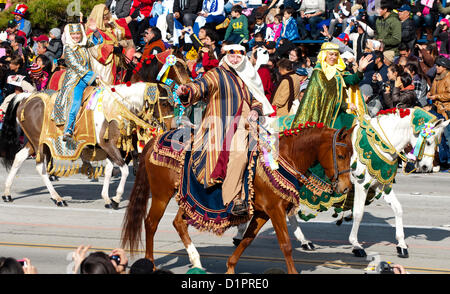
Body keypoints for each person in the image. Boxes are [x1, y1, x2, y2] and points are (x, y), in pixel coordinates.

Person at [176, 44, 274, 216]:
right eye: (232, 56)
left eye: (238, 57)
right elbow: (200, 85)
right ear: (226, 57)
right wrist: (187, 90)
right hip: (224, 126)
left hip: (249, 124)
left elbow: (256, 99)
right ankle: (234, 199)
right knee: (239, 155)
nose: (235, 60)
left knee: (272, 153)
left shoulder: (245, 76)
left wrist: (255, 110)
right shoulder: (217, 74)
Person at [291, 41, 373, 129]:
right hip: (323, 114)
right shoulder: (318, 72)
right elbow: (326, 97)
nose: (333, 57)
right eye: (331, 54)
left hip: (338, 111)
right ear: (324, 55)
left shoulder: (338, 71)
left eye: (335, 54)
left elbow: (352, 80)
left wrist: (360, 70)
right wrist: (346, 105)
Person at [50, 23, 97, 142]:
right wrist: (94, 76)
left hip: (90, 78)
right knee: (75, 103)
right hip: (76, 81)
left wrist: (95, 29)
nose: (76, 36)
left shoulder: (84, 44)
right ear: (69, 35)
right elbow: (76, 66)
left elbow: (98, 40)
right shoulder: (68, 48)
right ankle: (68, 129)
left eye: (78, 33)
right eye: (73, 34)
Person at [85, 4, 135, 85]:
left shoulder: (108, 28)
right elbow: (95, 47)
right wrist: (113, 49)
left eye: (107, 15)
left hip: (114, 64)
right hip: (103, 66)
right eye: (103, 16)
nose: (106, 18)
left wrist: (119, 45)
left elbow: (119, 25)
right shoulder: (92, 31)